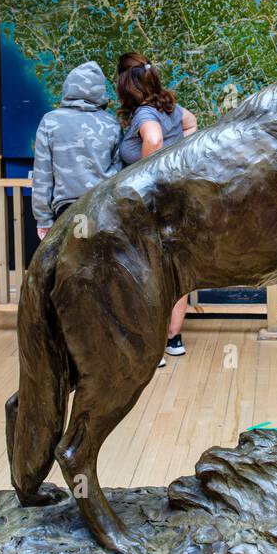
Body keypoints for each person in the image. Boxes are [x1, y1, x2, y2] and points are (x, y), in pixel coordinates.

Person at [116, 52, 197, 362]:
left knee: (146, 272)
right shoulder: (171, 107)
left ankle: (152, 347)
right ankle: (173, 339)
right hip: (177, 200)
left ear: (127, 86)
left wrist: (146, 177)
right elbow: (191, 125)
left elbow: (153, 138)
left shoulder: (145, 114)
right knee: (175, 270)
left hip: (151, 206)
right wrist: (178, 156)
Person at [31, 61, 121, 240]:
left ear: (68, 87)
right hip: (105, 207)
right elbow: (118, 173)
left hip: (67, 210)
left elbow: (42, 175)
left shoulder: (50, 121)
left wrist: (43, 220)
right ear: (100, 91)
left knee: (73, 264)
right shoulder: (112, 123)